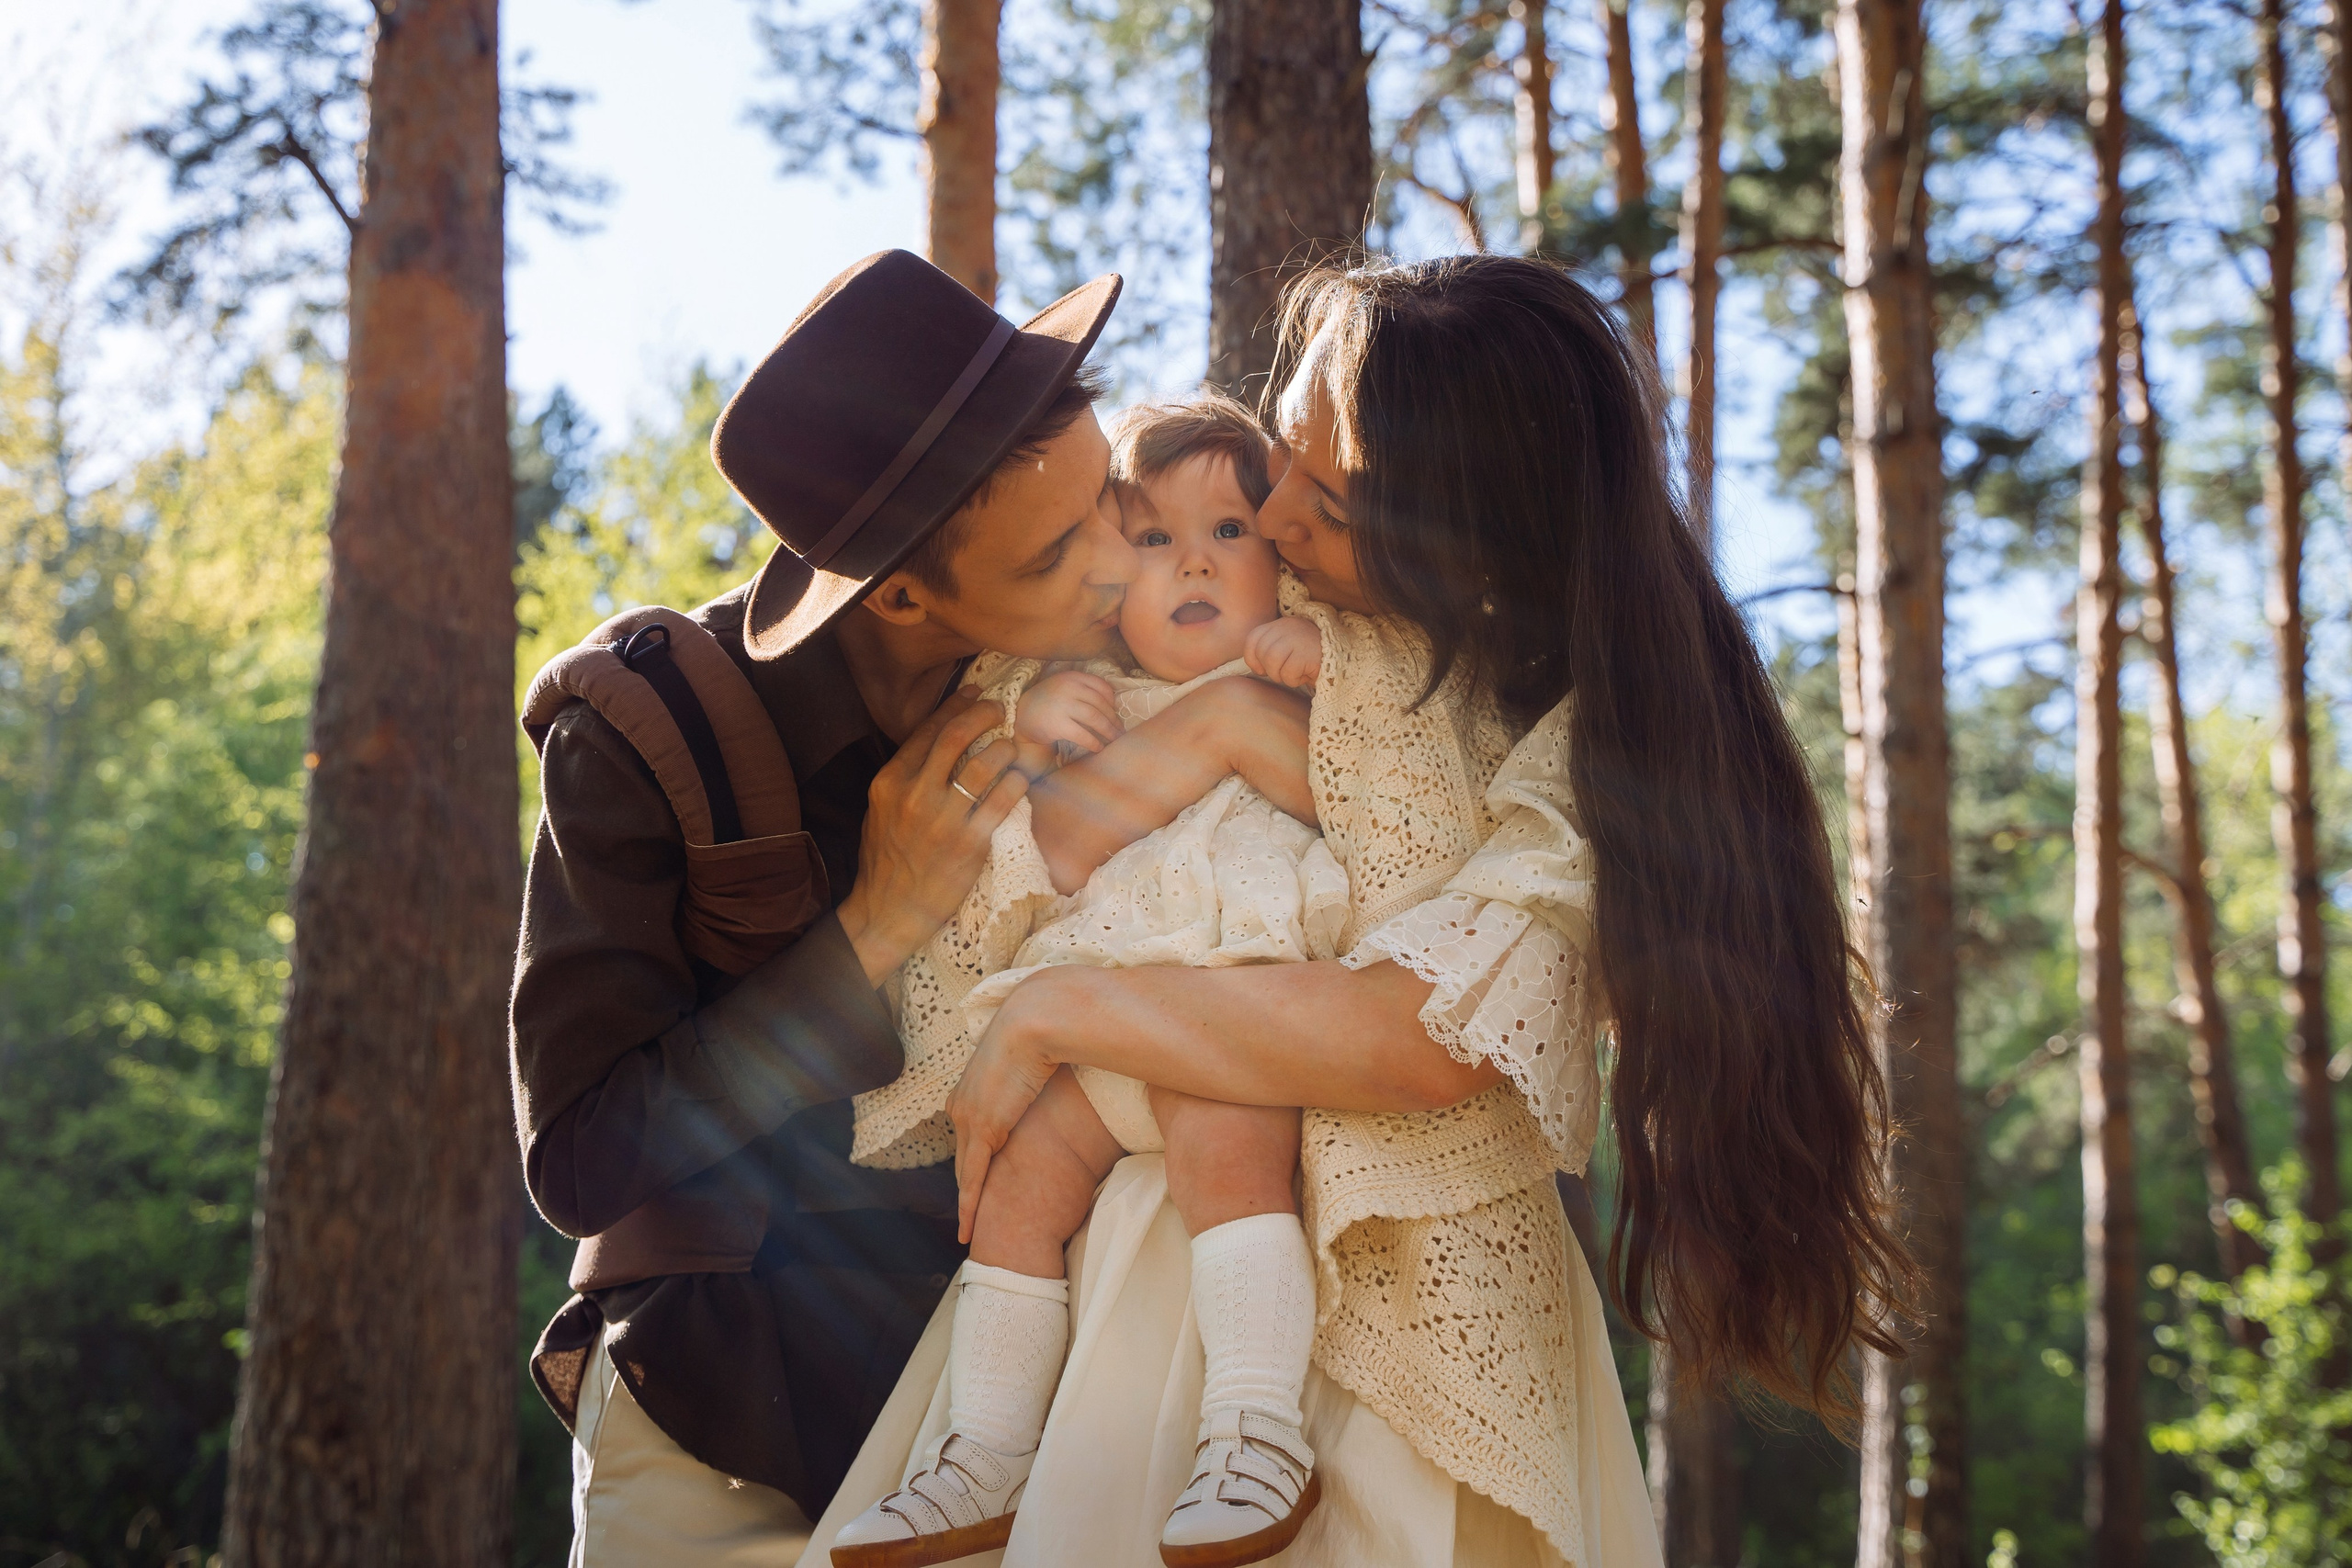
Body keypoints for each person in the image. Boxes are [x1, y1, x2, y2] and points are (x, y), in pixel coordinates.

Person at [803, 254, 1913, 1568]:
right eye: (1283, 456)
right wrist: (1203, 724)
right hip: (1124, 1250)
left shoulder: (1563, 741)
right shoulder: (1231, 618)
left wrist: (1059, 1006)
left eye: (1322, 506)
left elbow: (1421, 1035)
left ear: (1465, 546)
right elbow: (1047, 829)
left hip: (1401, 1319)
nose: (1268, 522)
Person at [510, 249, 1284, 1564]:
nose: (1119, 559)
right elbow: (580, 1158)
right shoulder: (651, 728)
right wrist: (876, 923)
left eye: (1110, 498)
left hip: (1012, 1409)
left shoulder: (1124, 643)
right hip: (716, 1416)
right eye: (1061, 547)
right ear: (908, 592)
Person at [833, 397, 1345, 1568]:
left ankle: (1256, 1431)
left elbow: (1388, 785)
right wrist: (1030, 716)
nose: (1196, 561)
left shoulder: (1325, 673)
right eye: (1155, 538)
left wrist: (1327, 663)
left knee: (1228, 1150)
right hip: (1088, 1030)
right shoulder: (1076, 690)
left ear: (1284, 561)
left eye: (1231, 531)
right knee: (1015, 1187)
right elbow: (1008, 839)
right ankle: (984, 1451)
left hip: (1234, 1019)